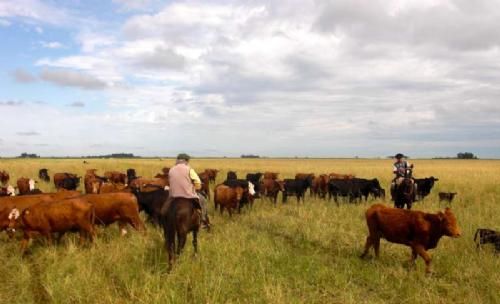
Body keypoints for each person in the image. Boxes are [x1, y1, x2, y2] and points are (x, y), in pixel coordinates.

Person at [161, 153, 210, 229]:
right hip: (188, 195)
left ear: (177, 160)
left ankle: (163, 221)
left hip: (173, 195)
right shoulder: (189, 169)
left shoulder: (171, 170)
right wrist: (196, 188)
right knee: (203, 200)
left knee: (164, 209)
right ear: (186, 161)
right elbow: (198, 183)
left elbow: (170, 182)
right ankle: (203, 221)